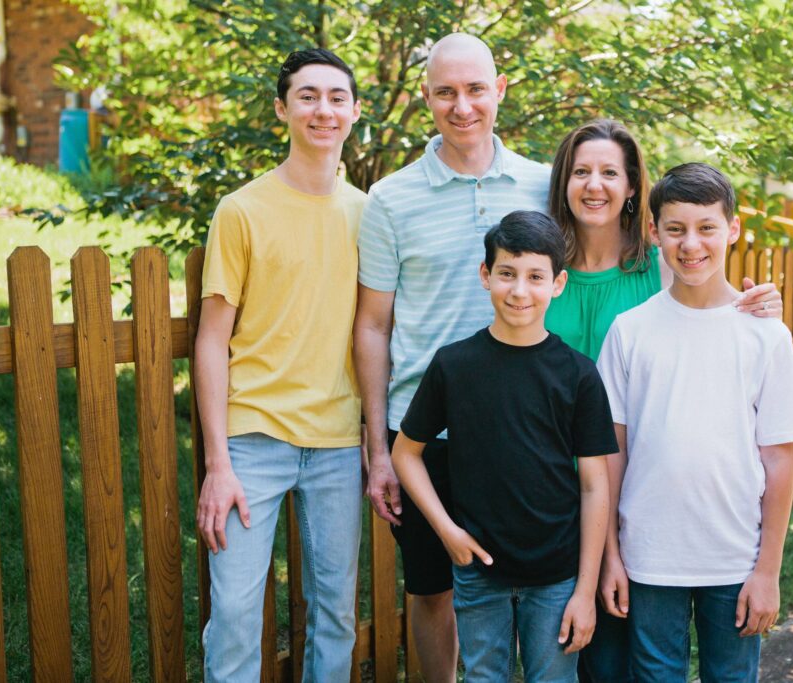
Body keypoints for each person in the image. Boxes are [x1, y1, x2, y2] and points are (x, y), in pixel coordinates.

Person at [544, 119, 784, 682]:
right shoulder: (539, 271)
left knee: (651, 653)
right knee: (601, 659)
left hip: (649, 504)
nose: (595, 184)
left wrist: (764, 306)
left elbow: (708, 300)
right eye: (581, 171)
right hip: (559, 485)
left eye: (610, 172)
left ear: (632, 188)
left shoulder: (659, 265)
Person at [354, 33, 551, 682]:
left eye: (474, 90)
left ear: (500, 91)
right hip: (423, 433)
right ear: (425, 99)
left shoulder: (544, 184)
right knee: (432, 590)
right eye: (445, 92)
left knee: (531, 587)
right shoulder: (390, 198)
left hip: (526, 428)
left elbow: (609, 267)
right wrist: (379, 448)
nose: (461, 106)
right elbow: (375, 325)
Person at [595, 163, 793, 682]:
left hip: (735, 559)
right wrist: (611, 557)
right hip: (648, 557)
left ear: (732, 229)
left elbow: (780, 458)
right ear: (654, 233)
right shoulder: (630, 332)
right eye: (675, 229)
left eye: (707, 227)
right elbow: (610, 456)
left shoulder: (765, 335)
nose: (691, 244)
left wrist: (768, 571)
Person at [195, 48, 365, 682]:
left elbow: (376, 331)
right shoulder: (242, 210)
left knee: (336, 615)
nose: (323, 109)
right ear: (282, 108)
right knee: (236, 613)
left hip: (339, 445)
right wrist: (218, 463)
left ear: (353, 111)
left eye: (336, 98)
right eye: (308, 96)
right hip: (252, 440)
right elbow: (212, 339)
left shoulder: (367, 215)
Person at [391, 211, 615, 682]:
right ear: (485, 275)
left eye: (535, 277)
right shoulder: (455, 366)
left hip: (556, 577)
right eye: (507, 274)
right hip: (478, 571)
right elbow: (405, 454)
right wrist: (447, 530)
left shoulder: (577, 374)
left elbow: (596, 485)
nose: (519, 291)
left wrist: (584, 589)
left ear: (558, 283)